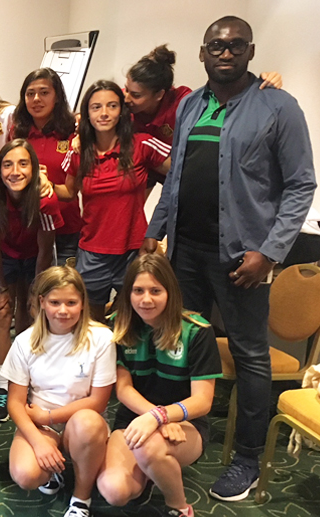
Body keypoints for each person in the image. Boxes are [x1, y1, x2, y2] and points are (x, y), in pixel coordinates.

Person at [142, 16, 316, 502]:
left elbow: (302, 184)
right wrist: (155, 233)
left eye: (236, 45)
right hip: (185, 254)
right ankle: (175, 435)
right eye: (217, 46)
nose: (226, 52)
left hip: (244, 260)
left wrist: (270, 252)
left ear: (250, 51)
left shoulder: (278, 108)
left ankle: (247, 460)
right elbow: (175, 177)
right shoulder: (191, 106)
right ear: (202, 53)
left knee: (249, 356)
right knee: (180, 345)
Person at [96, 254, 221, 517]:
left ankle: (179, 507)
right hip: (133, 421)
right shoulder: (118, 325)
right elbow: (124, 389)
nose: (146, 299)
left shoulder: (197, 331)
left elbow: (202, 401)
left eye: (156, 291)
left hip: (186, 424)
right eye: (138, 290)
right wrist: (153, 417)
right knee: (114, 491)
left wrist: (160, 416)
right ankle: (154, 470)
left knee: (149, 447)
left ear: (170, 292)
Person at [3, 266, 115, 517]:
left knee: (86, 423)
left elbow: (97, 401)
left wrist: (50, 417)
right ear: (42, 302)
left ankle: (81, 499)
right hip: (42, 423)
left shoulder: (101, 337)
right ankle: (54, 467)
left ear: (83, 303)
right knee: (25, 475)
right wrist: (37, 440)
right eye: (55, 302)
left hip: (82, 421)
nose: (63, 311)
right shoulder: (25, 340)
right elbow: (15, 403)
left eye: (71, 302)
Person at [54, 81, 171, 321]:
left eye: (112, 106)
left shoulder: (142, 144)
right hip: (91, 251)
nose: (104, 113)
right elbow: (68, 191)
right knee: (92, 325)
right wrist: (38, 183)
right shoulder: (78, 152)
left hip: (134, 250)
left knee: (135, 319)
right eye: (96, 107)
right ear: (86, 113)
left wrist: (160, 227)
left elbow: (179, 174)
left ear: (122, 111)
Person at [0, 139, 63, 422]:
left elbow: (44, 250)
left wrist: (35, 291)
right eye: (7, 164)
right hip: (3, 256)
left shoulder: (46, 199)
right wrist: (1, 286)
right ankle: (4, 386)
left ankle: (25, 379)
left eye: (23, 163)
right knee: (2, 312)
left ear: (34, 168)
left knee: (30, 315)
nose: (15, 171)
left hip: (34, 258)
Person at [125, 45, 282, 191]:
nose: (127, 98)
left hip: (185, 173)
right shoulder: (122, 102)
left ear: (159, 95)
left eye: (136, 95)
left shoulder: (185, 102)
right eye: (126, 89)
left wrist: (262, 86)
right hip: (148, 169)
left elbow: (229, 110)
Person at [12, 69, 82, 266]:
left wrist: (44, 184)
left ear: (57, 96)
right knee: (31, 291)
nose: (36, 99)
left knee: (62, 290)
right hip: (28, 228)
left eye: (44, 92)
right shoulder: (17, 132)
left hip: (65, 229)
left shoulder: (73, 133)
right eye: (30, 93)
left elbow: (70, 192)